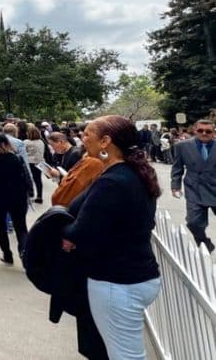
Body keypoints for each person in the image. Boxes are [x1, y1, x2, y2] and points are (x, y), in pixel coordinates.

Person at [62, 115, 162, 360]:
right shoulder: (131, 173)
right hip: (134, 275)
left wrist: (65, 233)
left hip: (117, 281)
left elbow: (82, 230)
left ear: (105, 141)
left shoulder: (113, 181)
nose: (82, 139)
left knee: (124, 355)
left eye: (87, 135)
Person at [0, 133, 32, 264]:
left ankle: (7, 254)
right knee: (21, 227)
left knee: (0, 227)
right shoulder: (16, 158)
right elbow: (25, 176)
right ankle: (24, 252)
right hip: (18, 196)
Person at [171, 118, 216, 253]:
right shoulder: (182, 146)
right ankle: (204, 243)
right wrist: (175, 185)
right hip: (194, 189)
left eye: (208, 131)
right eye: (200, 130)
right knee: (193, 223)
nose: (204, 133)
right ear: (195, 131)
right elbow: (177, 167)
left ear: (213, 132)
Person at [24, 123, 47, 203]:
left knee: (29, 179)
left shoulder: (26, 142)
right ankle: (39, 196)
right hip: (40, 162)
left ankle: (30, 194)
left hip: (30, 162)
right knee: (38, 180)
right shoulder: (41, 142)